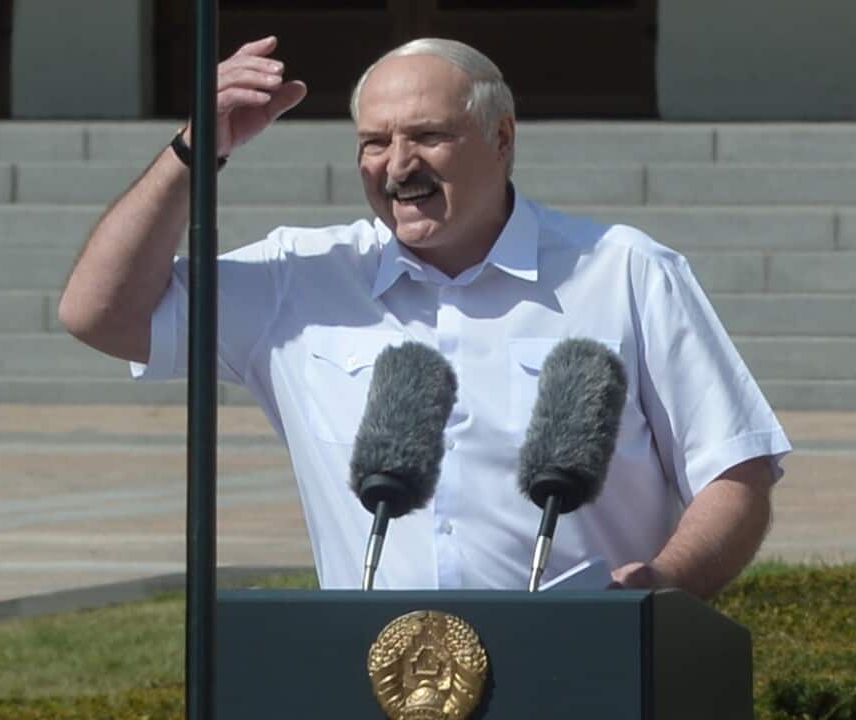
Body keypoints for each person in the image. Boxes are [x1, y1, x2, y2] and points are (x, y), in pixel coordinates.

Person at [59, 36, 791, 598]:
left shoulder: (624, 270)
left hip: (581, 664)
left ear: (502, 139)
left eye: (426, 136)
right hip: (378, 675)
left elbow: (736, 469)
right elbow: (98, 313)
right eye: (374, 143)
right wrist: (193, 151)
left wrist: (662, 588)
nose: (397, 164)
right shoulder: (300, 280)